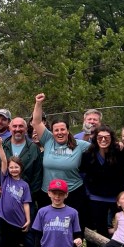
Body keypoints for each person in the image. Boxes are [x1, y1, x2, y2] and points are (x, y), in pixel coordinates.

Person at [31, 93, 90, 221]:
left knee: (71, 226)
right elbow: (36, 122)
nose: (59, 132)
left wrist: (118, 144)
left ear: (68, 131)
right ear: (52, 132)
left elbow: (101, 145)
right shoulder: (48, 140)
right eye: (56, 130)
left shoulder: (80, 145)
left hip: (72, 193)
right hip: (48, 193)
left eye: (62, 129)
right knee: (48, 224)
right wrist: (38, 103)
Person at [79, 125, 124, 247]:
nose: (103, 140)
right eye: (100, 137)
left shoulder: (120, 152)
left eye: (106, 137)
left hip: (117, 198)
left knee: (119, 227)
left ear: (111, 138)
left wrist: (120, 185)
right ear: (95, 138)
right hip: (95, 197)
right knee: (100, 227)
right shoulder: (88, 154)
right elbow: (83, 173)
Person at [31, 179, 83, 247]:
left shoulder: (73, 213)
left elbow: (77, 233)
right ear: (49, 193)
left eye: (61, 194)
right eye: (54, 193)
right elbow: (37, 235)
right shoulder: (42, 212)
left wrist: (78, 240)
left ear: (66, 195)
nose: (57, 197)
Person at [0, 142, 33, 247]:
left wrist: (28, 219)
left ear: (21, 168)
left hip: (19, 220)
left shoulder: (24, 185)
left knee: (20, 243)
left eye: (16, 167)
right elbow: (4, 160)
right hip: (4, 217)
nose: (13, 170)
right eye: (11, 167)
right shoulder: (5, 180)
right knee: (4, 241)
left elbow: (26, 203)